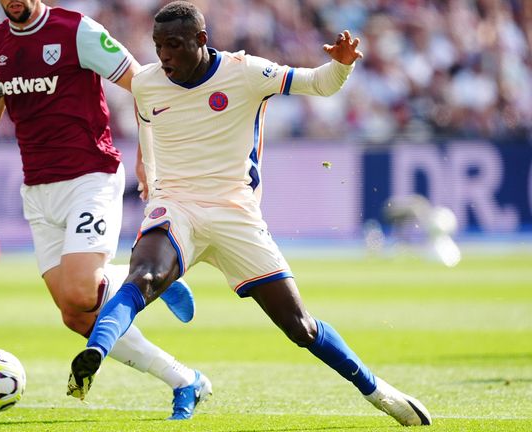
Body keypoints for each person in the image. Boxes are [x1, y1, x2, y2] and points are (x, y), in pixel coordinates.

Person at [68, 1, 432, 427]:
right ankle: (97, 348)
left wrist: (343, 66)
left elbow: (318, 83)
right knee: (142, 276)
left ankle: (382, 395)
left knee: (300, 327)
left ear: (201, 41)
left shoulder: (244, 72)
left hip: (234, 212)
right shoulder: (149, 82)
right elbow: (147, 124)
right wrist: (149, 174)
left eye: (174, 45)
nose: (164, 55)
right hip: (177, 206)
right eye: (158, 46)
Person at [0, 0, 207, 420]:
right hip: (38, 190)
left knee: (82, 291)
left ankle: (142, 278)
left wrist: (144, 156)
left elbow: (143, 85)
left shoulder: (77, 31)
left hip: (90, 177)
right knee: (75, 316)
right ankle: (184, 379)